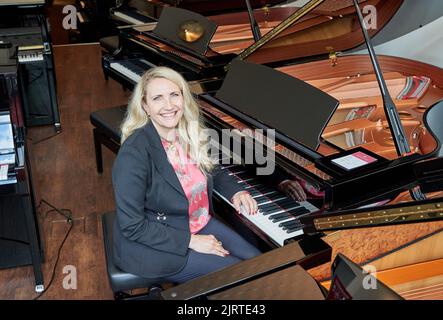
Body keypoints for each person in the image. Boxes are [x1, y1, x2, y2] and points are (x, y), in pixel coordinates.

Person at [112, 66, 261, 283]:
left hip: (197, 222)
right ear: (145, 105)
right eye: (158, 98)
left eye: (174, 95)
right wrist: (191, 241)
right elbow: (133, 226)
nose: (169, 106)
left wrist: (236, 191)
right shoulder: (133, 154)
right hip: (155, 242)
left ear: (184, 97)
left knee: (261, 263)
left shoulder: (187, 132)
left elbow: (211, 167)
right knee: (239, 275)